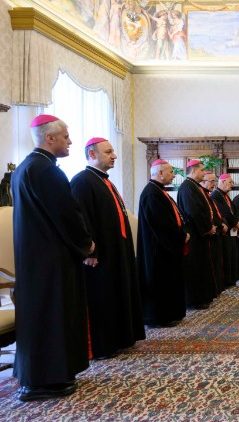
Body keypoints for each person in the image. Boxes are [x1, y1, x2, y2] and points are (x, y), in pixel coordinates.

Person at [11, 114, 95, 401]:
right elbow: (66, 214)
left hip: (35, 259)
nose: (70, 142)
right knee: (54, 317)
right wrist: (87, 244)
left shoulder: (26, 167)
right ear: (50, 138)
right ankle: (49, 380)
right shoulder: (47, 171)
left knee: (41, 317)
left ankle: (38, 377)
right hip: (52, 259)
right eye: (66, 136)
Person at [70, 137, 145, 359]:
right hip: (99, 255)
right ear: (92, 154)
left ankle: (119, 339)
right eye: (108, 152)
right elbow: (81, 219)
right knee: (101, 298)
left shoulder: (105, 181)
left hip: (115, 251)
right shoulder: (82, 181)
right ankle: (103, 346)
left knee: (116, 295)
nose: (114, 156)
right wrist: (90, 251)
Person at [137, 159, 189, 328]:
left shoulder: (159, 191)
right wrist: (181, 236)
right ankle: (159, 318)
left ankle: (170, 314)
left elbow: (174, 218)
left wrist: (181, 233)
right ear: (160, 173)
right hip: (158, 250)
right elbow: (162, 225)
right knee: (161, 283)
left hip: (166, 247)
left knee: (170, 282)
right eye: (171, 172)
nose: (173, 175)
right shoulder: (152, 193)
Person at [177, 159, 216, 309]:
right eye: (202, 170)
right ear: (193, 170)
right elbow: (194, 212)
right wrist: (207, 228)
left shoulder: (194, 186)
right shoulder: (187, 187)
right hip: (194, 234)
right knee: (195, 267)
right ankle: (196, 300)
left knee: (202, 266)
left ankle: (203, 297)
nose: (204, 173)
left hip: (200, 233)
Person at [212, 174, 239, 288]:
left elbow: (234, 210)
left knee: (232, 255)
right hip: (225, 231)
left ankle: (232, 278)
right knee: (226, 256)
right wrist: (234, 222)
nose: (232, 185)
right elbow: (224, 212)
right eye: (230, 182)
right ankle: (227, 280)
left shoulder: (225, 196)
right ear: (223, 182)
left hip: (232, 230)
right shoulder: (216, 195)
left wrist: (237, 221)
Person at [200, 172, 225, 295]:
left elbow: (216, 213)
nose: (214, 184)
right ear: (203, 181)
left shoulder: (208, 194)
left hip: (216, 231)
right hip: (208, 232)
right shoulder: (203, 194)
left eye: (214, 181)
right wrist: (213, 226)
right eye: (212, 181)